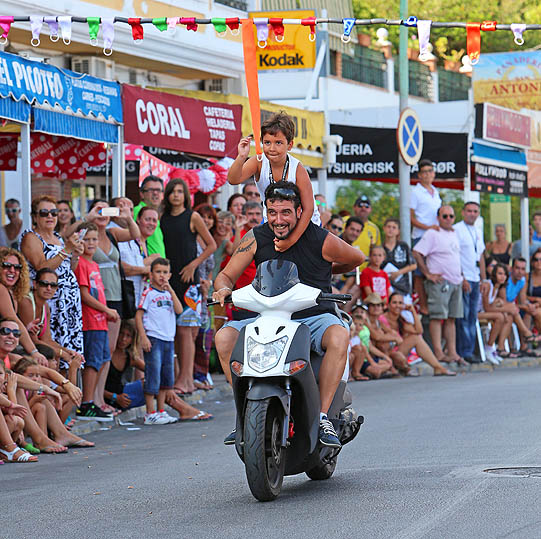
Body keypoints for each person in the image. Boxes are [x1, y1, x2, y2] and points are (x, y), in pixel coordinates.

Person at [213, 181, 365, 449]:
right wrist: (223, 288)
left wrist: (328, 271)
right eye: (272, 212)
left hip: (314, 317)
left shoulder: (320, 238)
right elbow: (226, 275)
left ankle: (322, 417)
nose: (278, 219)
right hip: (269, 317)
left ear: (299, 212)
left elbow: (357, 257)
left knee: (340, 335)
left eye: (285, 212)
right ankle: (243, 414)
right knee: (224, 337)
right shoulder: (255, 237)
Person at [227, 112, 320, 252]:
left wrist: (291, 241)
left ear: (289, 145)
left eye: (278, 143)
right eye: (267, 143)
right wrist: (241, 157)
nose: (272, 148)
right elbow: (233, 180)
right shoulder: (258, 162)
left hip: (305, 226)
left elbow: (309, 209)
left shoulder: (298, 169)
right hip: (275, 225)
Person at [160, 178, 216, 395]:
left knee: (187, 333)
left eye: (179, 192)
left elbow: (211, 245)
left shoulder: (192, 217)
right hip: (168, 280)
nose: (176, 195)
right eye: (172, 192)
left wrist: (194, 264)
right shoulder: (162, 218)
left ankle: (187, 379)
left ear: (185, 195)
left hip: (189, 283)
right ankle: (179, 377)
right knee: (172, 332)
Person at [20, 196, 84, 367]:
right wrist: (67, 249)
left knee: (73, 354)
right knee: (54, 353)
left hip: (69, 302)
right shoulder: (31, 237)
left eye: (53, 213)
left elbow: (67, 269)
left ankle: (72, 391)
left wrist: (75, 255)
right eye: (44, 213)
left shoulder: (57, 237)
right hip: (50, 301)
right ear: (35, 217)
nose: (50, 216)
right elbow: (42, 268)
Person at [105, 319, 212, 421]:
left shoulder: (129, 357)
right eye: (121, 334)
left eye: (128, 336)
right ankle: (185, 410)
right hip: (112, 398)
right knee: (152, 382)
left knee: (154, 379)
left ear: (132, 339)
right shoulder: (107, 354)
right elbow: (95, 388)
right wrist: (115, 397)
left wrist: (167, 388)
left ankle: (185, 409)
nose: (123, 339)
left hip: (124, 396)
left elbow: (154, 372)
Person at [74, 222, 117, 422]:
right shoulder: (82, 263)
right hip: (90, 321)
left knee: (100, 361)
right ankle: (86, 404)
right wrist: (106, 309)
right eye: (86, 239)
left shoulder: (94, 264)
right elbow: (84, 295)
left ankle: (93, 401)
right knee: (91, 363)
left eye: (94, 239)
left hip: (100, 321)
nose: (90, 243)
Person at [413, 206, 465, 365]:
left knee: (451, 318)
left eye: (451, 216)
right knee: (437, 317)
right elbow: (417, 252)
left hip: (456, 281)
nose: (448, 219)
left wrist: (463, 277)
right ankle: (438, 352)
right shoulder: (432, 233)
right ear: (438, 218)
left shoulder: (455, 233)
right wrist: (427, 273)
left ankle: (452, 352)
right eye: (445, 216)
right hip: (440, 282)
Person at [136, 258, 183, 425]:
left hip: (168, 339)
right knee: (152, 374)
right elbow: (139, 315)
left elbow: (179, 310)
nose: (162, 276)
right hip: (154, 338)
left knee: (165, 376)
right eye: (158, 272)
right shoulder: (148, 293)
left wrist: (170, 289)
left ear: (169, 275)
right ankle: (150, 412)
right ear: (151, 274)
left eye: (165, 272)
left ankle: (161, 410)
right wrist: (143, 336)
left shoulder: (168, 294)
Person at [12, 357, 94, 448]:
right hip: (20, 423)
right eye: (31, 375)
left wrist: (73, 370)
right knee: (39, 406)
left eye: (37, 375)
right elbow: (20, 410)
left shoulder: (36, 383)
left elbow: (64, 389)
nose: (35, 379)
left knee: (44, 403)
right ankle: (42, 440)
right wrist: (35, 399)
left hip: (27, 420)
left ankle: (53, 435)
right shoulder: (20, 385)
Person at [18, 268, 84, 366]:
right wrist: (62, 353)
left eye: (53, 285)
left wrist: (68, 351)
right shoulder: (26, 302)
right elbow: (33, 340)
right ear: (35, 284)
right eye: (44, 284)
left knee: (55, 358)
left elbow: (47, 339)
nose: (49, 288)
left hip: (31, 348)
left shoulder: (46, 307)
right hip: (19, 347)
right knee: (52, 356)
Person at [379, 293, 456, 376]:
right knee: (411, 341)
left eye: (400, 303)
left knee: (416, 338)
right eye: (394, 303)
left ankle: (438, 367)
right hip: (386, 353)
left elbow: (419, 331)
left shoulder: (401, 320)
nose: (397, 305)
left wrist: (413, 311)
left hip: (398, 351)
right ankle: (437, 367)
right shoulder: (382, 319)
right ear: (389, 305)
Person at [454, 202, 487, 363]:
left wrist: (484, 278)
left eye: (475, 211)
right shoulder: (457, 229)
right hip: (464, 277)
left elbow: (480, 256)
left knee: (473, 316)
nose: (472, 214)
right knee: (464, 315)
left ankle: (471, 350)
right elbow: (455, 255)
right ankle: (465, 351)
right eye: (469, 211)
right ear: (463, 212)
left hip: (475, 277)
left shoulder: (477, 231)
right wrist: (462, 278)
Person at [410, 159, 442, 314]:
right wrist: (428, 227)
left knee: (434, 270)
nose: (428, 174)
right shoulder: (415, 192)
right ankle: (423, 305)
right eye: (424, 172)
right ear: (419, 175)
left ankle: (432, 303)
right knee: (419, 273)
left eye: (430, 171)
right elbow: (411, 218)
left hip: (435, 237)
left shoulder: (435, 192)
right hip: (420, 235)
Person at [193, 204, 217, 390]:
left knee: (205, 334)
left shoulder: (210, 241)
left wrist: (208, 283)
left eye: (210, 217)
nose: (207, 221)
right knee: (193, 333)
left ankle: (201, 373)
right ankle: (193, 375)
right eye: (203, 216)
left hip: (205, 293)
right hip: (192, 289)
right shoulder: (191, 239)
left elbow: (210, 269)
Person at [118, 206, 160, 304]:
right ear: (138, 220)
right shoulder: (126, 241)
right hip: (126, 300)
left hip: (141, 301)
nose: (151, 223)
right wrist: (146, 266)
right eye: (147, 219)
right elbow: (119, 267)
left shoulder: (146, 243)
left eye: (154, 220)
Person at [479, 263, 517, 361]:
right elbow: (487, 308)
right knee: (500, 316)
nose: (502, 277)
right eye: (500, 273)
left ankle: (499, 348)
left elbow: (491, 305)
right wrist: (506, 309)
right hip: (476, 312)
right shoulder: (488, 285)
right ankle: (489, 347)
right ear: (494, 274)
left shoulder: (497, 288)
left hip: (483, 312)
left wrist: (499, 303)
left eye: (504, 274)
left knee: (508, 317)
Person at [506, 257, 541, 350]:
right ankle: (528, 335)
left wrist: (529, 305)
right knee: (513, 312)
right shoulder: (506, 280)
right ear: (511, 268)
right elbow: (503, 303)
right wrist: (523, 306)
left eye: (522, 269)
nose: (520, 272)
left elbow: (522, 300)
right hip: (502, 308)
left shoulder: (522, 281)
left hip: (512, 308)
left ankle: (524, 347)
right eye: (517, 268)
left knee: (529, 312)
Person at [350, 305, 392, 380]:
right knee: (377, 370)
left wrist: (385, 356)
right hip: (362, 360)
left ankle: (376, 371)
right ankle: (374, 372)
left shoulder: (365, 328)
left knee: (388, 363)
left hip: (368, 359)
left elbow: (370, 347)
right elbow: (363, 349)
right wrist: (372, 362)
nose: (359, 314)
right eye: (356, 312)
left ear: (366, 315)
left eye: (362, 312)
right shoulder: (353, 332)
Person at [382, 218, 417, 298]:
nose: (391, 229)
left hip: (403, 286)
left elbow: (413, 265)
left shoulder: (403, 246)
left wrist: (398, 273)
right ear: (384, 228)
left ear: (398, 231)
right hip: (386, 287)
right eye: (388, 227)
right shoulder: (380, 248)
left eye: (394, 227)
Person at [133, 175, 166, 257]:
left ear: (162, 195)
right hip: (146, 265)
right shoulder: (137, 211)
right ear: (142, 194)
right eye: (151, 190)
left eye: (158, 190)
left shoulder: (154, 214)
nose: (155, 193)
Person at [351, 195, 381, 260]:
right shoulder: (343, 222)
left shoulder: (375, 229)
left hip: (366, 268)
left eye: (367, 206)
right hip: (345, 267)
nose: (363, 208)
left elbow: (378, 251)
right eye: (360, 205)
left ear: (370, 209)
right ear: (354, 207)